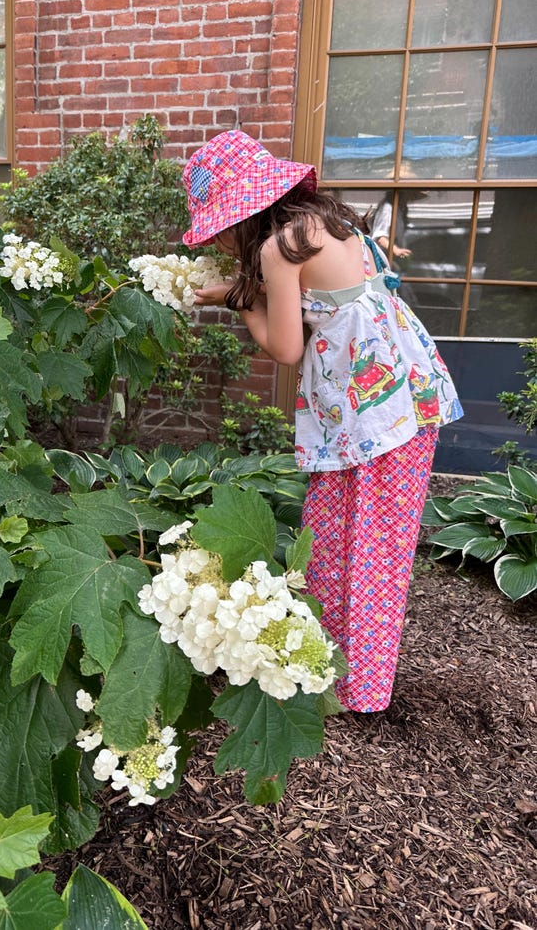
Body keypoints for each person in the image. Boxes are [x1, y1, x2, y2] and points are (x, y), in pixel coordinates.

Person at [182, 130, 463, 713]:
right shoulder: (323, 223)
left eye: (224, 226)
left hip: (375, 416)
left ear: (244, 213)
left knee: (361, 547)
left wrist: (236, 305)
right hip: (399, 402)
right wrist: (244, 293)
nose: (226, 239)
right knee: (343, 537)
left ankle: (353, 690)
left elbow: (285, 347)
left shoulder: (275, 249)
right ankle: (327, 668)